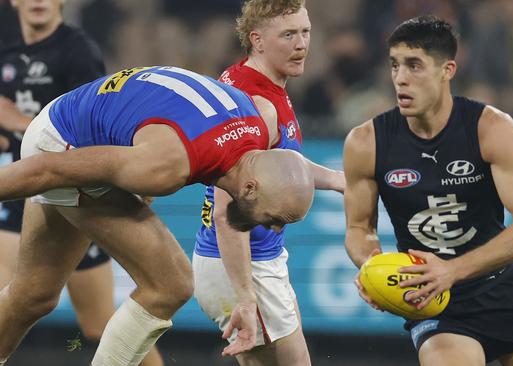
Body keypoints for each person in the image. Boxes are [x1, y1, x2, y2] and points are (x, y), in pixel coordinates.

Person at [0, 65, 315, 366]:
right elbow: (47, 168)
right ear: (249, 188)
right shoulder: (165, 167)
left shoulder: (256, 128)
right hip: (60, 143)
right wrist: (141, 170)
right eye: (276, 218)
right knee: (170, 283)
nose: (274, 228)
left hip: (75, 119)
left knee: (33, 295)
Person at [343, 16, 513, 366]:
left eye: (414, 65)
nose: (400, 78)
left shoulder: (490, 128)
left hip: (502, 290)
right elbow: (359, 228)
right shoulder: (366, 142)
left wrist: (452, 270)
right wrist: (372, 266)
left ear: (447, 70)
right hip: (435, 300)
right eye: (394, 65)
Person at [0, 1, 165, 364]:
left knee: (96, 322)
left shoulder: (77, 51)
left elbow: (92, 119)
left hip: (74, 193)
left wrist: (20, 122)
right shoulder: (7, 54)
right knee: (15, 291)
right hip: (20, 191)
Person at [193, 1, 343, 365]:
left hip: (253, 261)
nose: (301, 44)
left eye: (305, 31)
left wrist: (338, 180)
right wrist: (245, 296)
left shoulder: (249, 79)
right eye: (288, 34)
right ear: (257, 40)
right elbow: (227, 207)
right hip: (246, 265)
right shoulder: (259, 105)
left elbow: (279, 163)